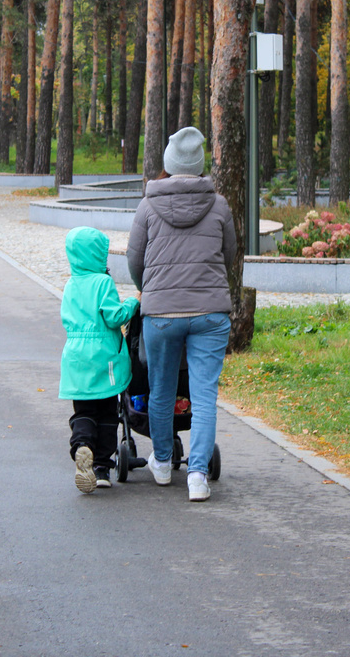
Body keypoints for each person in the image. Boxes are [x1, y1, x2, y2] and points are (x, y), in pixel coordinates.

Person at [126, 126, 236, 502]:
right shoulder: (219, 205)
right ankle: (198, 476)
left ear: (169, 165)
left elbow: (134, 261)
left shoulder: (147, 206)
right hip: (210, 313)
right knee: (204, 395)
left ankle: (160, 463)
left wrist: (151, 288)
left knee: (160, 389)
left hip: (161, 314)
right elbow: (229, 255)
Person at [60, 226, 139, 494]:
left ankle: (82, 444)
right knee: (107, 413)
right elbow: (113, 317)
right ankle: (102, 468)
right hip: (103, 359)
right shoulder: (102, 283)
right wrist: (132, 303)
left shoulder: (71, 284)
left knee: (83, 411)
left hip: (75, 358)